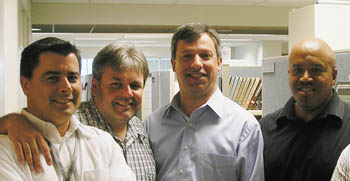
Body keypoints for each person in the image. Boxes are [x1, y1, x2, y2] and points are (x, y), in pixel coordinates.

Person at [0, 43, 156, 180]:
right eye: (53, 78)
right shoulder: (9, 146)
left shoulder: (115, 138)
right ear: (26, 84)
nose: (66, 87)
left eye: (72, 77)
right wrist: (11, 120)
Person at [144, 23, 264, 180]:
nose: (196, 64)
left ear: (219, 63)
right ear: (174, 64)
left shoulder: (244, 127)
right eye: (187, 56)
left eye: (205, 56)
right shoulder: (152, 126)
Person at [260, 37, 350, 181]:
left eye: (315, 70)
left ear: (333, 76)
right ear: (289, 74)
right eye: (298, 70)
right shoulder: (266, 129)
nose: (305, 78)